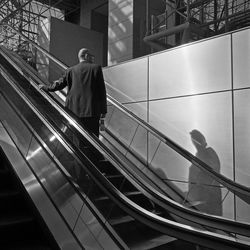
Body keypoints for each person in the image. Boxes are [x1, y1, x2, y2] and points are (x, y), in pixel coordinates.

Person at [39, 48, 107, 138]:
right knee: (92, 138)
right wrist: (103, 110)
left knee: (77, 137)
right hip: (92, 111)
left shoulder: (70, 71)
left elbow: (59, 84)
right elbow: (102, 90)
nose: (92, 58)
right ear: (86, 56)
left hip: (73, 111)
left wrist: (46, 88)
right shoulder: (96, 68)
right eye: (91, 56)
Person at [187, 129, 222, 216]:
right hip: (200, 196)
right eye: (192, 141)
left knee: (211, 220)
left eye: (194, 141)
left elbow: (214, 171)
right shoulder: (198, 154)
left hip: (209, 197)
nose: (194, 143)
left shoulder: (209, 153)